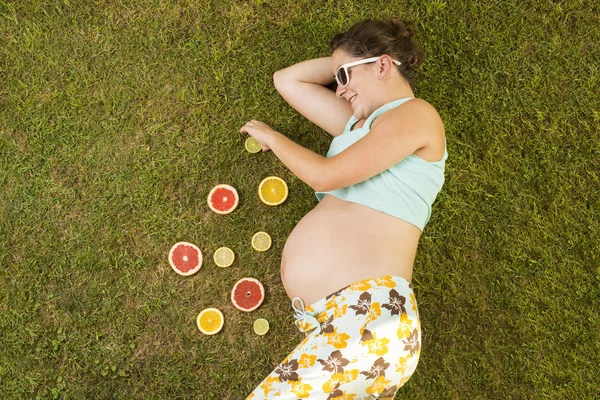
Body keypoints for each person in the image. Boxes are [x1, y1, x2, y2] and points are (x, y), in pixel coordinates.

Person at [240, 18, 447, 399]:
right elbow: (287, 81)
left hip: (369, 316)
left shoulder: (416, 115)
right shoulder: (356, 128)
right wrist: (350, 64)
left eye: (343, 77)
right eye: (336, 79)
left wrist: (273, 137)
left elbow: (324, 176)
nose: (339, 90)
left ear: (383, 66)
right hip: (347, 324)